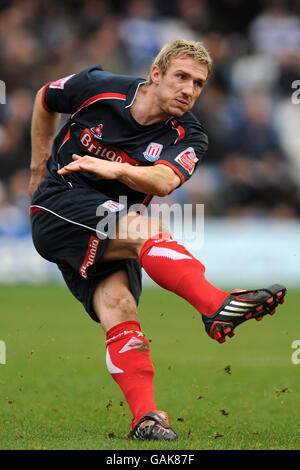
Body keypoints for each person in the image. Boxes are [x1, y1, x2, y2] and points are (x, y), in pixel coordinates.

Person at [29, 39, 287, 441]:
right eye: (181, 77)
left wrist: (112, 171)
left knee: (121, 308)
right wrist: (36, 166)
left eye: (198, 84)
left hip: (114, 221)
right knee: (147, 230)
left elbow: (165, 180)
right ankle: (214, 304)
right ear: (155, 74)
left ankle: (145, 418)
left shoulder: (189, 135)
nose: (189, 90)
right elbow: (45, 97)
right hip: (58, 204)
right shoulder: (98, 87)